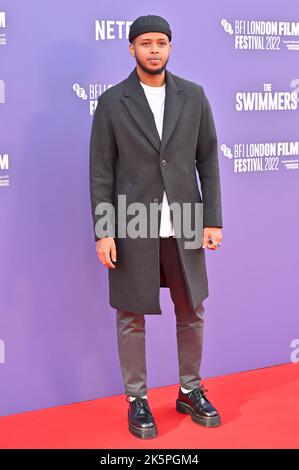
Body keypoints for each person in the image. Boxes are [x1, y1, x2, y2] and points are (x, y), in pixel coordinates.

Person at [89, 14, 223, 440]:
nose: (153, 49)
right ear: (131, 48)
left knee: (192, 310)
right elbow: (101, 174)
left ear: (169, 47)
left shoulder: (194, 97)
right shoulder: (112, 102)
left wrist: (212, 220)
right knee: (131, 315)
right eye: (145, 42)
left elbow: (208, 161)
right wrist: (104, 230)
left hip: (184, 219)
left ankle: (189, 389)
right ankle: (137, 398)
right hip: (132, 223)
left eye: (160, 42)